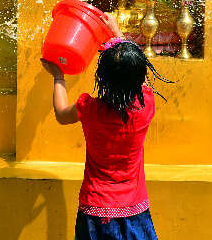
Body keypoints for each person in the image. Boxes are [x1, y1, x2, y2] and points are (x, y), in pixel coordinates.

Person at [40, 13, 172, 240]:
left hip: (95, 209)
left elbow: (61, 114)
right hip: (134, 208)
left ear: (102, 76)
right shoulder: (146, 105)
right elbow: (139, 74)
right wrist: (116, 32)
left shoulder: (90, 108)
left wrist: (58, 77)